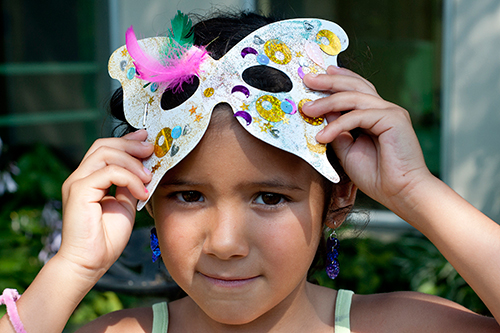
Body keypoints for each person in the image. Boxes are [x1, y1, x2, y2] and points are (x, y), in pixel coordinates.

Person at [1, 11, 500, 333]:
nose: (225, 242)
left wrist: (416, 190)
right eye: (189, 196)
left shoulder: (401, 327)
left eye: (269, 197)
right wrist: (72, 268)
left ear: (337, 198)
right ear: (146, 194)